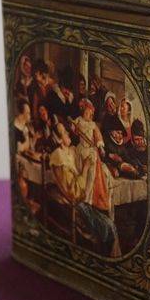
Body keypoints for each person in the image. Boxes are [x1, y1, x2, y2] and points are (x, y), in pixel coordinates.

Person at [49, 123, 118, 257]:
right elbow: (73, 192)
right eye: (64, 132)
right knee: (108, 228)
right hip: (75, 203)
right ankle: (104, 259)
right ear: (58, 139)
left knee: (109, 226)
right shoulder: (59, 158)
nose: (68, 133)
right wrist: (86, 169)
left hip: (83, 199)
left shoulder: (70, 151)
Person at [70, 98, 111, 212]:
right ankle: (80, 196)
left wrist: (101, 148)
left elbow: (98, 137)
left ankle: (87, 199)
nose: (89, 115)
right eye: (87, 112)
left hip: (91, 151)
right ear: (83, 112)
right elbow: (73, 130)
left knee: (91, 175)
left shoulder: (93, 124)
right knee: (81, 173)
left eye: (91, 113)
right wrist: (73, 126)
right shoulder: (78, 120)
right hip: (81, 151)